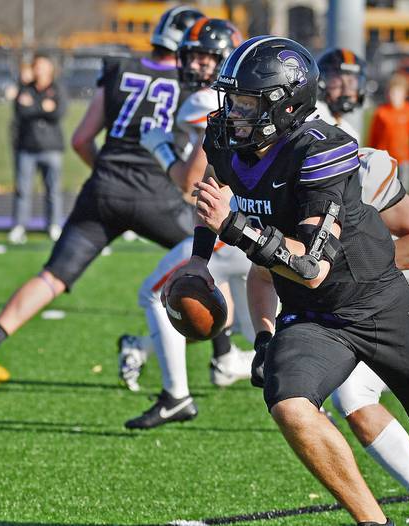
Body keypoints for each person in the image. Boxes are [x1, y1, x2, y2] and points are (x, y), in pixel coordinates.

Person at [167, 35, 409, 525]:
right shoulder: (228, 139)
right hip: (313, 320)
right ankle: (372, 521)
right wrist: (199, 260)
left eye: (247, 103)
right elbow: (214, 196)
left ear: (285, 104)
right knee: (290, 405)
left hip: (377, 303)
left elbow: (312, 267)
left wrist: (233, 226)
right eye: (233, 100)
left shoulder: (322, 151)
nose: (233, 113)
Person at [0, 5, 206, 404]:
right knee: (208, 266)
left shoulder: (119, 68)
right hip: (158, 194)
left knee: (52, 276)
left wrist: (105, 172)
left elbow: (82, 139)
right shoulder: (194, 87)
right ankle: (221, 358)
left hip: (103, 187)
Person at [118, 18, 254, 429]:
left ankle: (176, 394)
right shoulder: (241, 100)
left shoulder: (206, 104)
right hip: (257, 225)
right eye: (191, 55)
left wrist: (159, 147)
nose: (195, 65)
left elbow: (193, 183)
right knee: (261, 328)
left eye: (206, 58)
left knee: (156, 293)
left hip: (231, 228)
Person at [8, 54, 68, 244]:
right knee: (23, 189)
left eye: (43, 66)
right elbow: (20, 111)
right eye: (37, 66)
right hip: (27, 146)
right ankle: (19, 226)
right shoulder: (26, 88)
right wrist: (42, 108)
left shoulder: (57, 89)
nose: (39, 70)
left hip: (51, 147)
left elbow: (58, 112)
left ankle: (54, 225)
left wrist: (33, 107)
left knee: (53, 190)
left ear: (50, 69)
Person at [368, 73, 409, 192]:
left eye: (398, 92)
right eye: (392, 92)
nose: (395, 96)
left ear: (405, 93)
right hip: (384, 160)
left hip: (403, 161)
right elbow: (373, 137)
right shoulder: (381, 112)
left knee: (403, 193)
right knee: (384, 193)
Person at [315, 47, 366, 141]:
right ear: (322, 83)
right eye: (337, 82)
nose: (346, 91)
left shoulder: (350, 132)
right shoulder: (314, 115)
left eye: (351, 83)